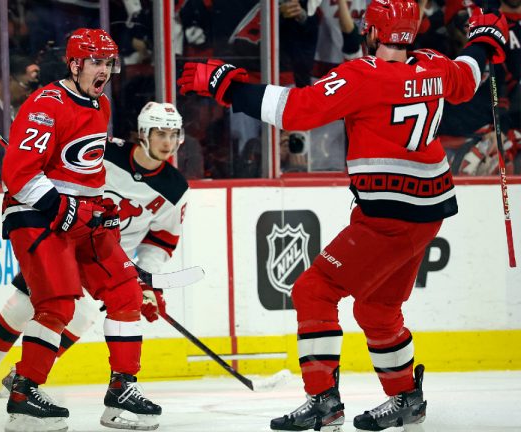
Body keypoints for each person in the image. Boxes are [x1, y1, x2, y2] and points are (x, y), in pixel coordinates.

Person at [178, 0, 507, 430]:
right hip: (428, 209)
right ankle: (406, 397)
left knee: (314, 290)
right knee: (377, 308)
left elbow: (297, 109)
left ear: (372, 32)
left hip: (389, 215)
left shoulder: (363, 76)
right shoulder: (434, 65)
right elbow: (469, 75)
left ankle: (323, 401)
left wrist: (228, 86)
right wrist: (486, 40)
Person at [0, 101, 188, 399]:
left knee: (82, 315)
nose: (167, 142)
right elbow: (63, 170)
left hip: (103, 257)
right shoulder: (106, 151)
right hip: (66, 238)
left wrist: (145, 281)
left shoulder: (176, 187)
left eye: (173, 134)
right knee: (25, 303)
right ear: (144, 133)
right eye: (160, 134)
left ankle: (22, 374)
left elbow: (161, 240)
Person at [0, 28, 162, 432]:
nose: (104, 70)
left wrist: (101, 204)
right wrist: (60, 206)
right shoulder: (45, 105)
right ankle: (24, 396)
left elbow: (86, 168)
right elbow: (18, 175)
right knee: (58, 304)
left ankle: (121, 392)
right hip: (33, 214)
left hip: (80, 217)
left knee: (126, 292)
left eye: (109, 63)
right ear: (74, 64)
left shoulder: (101, 104)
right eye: (96, 62)